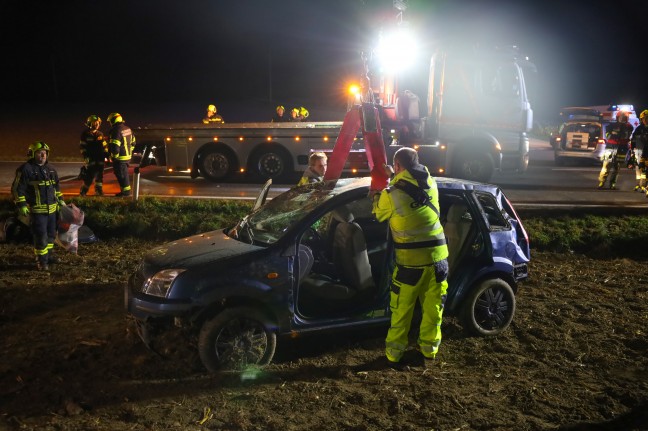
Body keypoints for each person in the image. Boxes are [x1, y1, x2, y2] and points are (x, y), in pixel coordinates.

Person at [371, 147, 449, 369]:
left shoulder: (392, 194)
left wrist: (379, 190)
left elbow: (377, 213)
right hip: (439, 260)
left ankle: (394, 356)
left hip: (410, 265)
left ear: (397, 166)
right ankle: (429, 353)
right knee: (433, 310)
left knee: (401, 311)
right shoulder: (431, 184)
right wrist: (394, 176)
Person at [11, 141, 65, 271]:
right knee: (41, 236)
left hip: (52, 210)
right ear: (32, 154)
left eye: (45, 153)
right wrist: (22, 204)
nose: (43, 155)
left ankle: (49, 256)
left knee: (51, 234)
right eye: (39, 153)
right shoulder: (25, 169)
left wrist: (60, 201)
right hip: (37, 211)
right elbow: (17, 189)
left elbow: (56, 188)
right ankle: (42, 262)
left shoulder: (51, 169)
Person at [598, 112, 634, 190]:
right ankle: (602, 182)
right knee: (606, 166)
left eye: (625, 117)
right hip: (610, 148)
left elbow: (626, 136)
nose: (623, 119)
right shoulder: (611, 125)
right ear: (617, 117)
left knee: (616, 168)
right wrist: (618, 135)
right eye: (622, 117)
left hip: (621, 149)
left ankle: (612, 184)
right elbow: (608, 136)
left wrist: (616, 134)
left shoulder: (629, 127)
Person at [107, 112, 135, 197]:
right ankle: (124, 191)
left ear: (113, 120)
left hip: (120, 158)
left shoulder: (115, 130)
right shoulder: (128, 128)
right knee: (123, 174)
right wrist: (129, 153)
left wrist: (113, 157)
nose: (110, 123)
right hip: (127, 157)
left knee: (122, 175)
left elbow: (115, 146)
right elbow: (133, 143)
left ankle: (126, 192)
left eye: (110, 121)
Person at [79, 115, 108, 196]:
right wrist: (85, 157)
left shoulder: (100, 134)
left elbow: (104, 146)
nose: (97, 124)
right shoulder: (85, 134)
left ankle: (98, 190)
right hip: (90, 158)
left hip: (100, 158)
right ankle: (83, 191)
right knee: (89, 175)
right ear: (89, 123)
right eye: (95, 123)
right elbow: (82, 147)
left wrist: (107, 155)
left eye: (98, 123)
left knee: (100, 176)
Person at [631, 109, 648, 193]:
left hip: (646, 151)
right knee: (638, 168)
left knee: (645, 169)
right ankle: (639, 184)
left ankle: (643, 185)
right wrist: (632, 149)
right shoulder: (639, 128)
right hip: (639, 150)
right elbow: (633, 139)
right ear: (642, 119)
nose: (646, 120)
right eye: (645, 118)